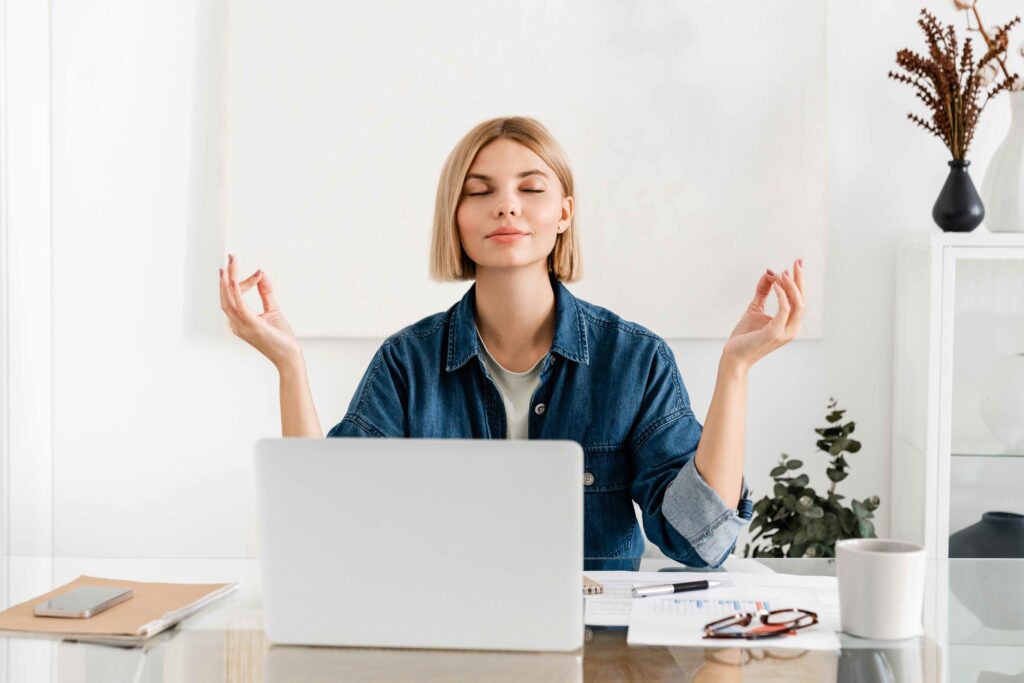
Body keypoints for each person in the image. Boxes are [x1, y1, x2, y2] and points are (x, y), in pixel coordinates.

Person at [218, 116, 806, 567]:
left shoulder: (634, 359)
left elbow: (698, 541)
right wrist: (289, 365)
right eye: (479, 191)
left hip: (595, 656)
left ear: (564, 214)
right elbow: (328, 525)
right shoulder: (406, 363)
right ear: (455, 216)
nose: (506, 204)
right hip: (443, 651)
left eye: (531, 188)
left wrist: (735, 371)